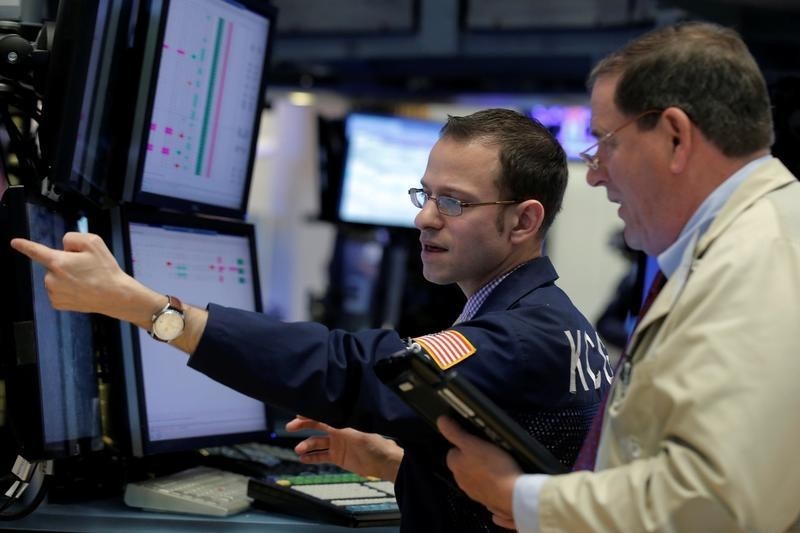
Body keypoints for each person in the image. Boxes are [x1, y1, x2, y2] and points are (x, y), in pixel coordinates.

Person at [11, 108, 613, 532]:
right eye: (423, 195)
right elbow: (517, 467)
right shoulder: (555, 320)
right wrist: (398, 464)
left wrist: (143, 306)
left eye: (453, 202)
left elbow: (359, 371)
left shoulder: (522, 336)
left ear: (524, 222)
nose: (425, 218)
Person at [433, 22, 800, 533]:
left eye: (606, 142)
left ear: (675, 137)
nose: (596, 172)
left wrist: (522, 498)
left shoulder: (760, 261)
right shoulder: (739, 250)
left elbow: (718, 503)